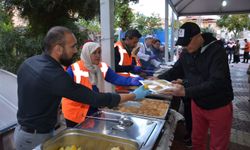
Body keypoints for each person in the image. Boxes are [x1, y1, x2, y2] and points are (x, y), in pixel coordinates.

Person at [14, 26, 150, 150]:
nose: (75, 51)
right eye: (72, 46)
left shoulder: (29, 63)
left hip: (26, 131)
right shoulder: (56, 74)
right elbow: (94, 98)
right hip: (35, 137)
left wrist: (132, 80)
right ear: (58, 49)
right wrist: (133, 96)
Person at [158, 22, 233, 150]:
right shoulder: (186, 52)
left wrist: (185, 91)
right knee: (197, 139)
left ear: (198, 36)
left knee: (218, 145)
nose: (185, 47)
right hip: (197, 103)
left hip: (219, 105)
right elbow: (176, 70)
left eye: (187, 43)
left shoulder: (217, 51)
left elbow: (216, 82)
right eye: (183, 44)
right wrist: (158, 79)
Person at [62, 42, 144, 127]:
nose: (98, 55)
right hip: (74, 113)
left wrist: (131, 81)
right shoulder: (73, 69)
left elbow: (115, 78)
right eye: (94, 53)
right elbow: (66, 91)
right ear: (87, 53)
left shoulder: (101, 67)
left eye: (99, 52)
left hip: (93, 107)